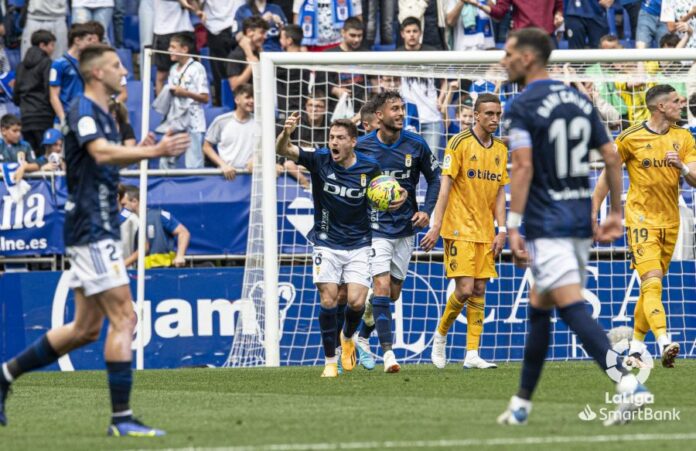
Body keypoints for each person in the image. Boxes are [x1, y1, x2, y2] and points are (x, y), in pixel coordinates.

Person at [0, 43, 191, 434]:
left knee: (85, 329)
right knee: (125, 317)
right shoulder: (85, 109)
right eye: (117, 66)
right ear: (96, 74)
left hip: (93, 227)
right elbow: (100, 153)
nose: (124, 71)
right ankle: (121, 420)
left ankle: (4, 376)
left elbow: (101, 158)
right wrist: (152, 151)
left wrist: (135, 149)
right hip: (91, 228)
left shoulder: (103, 112)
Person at [496, 27, 646, 427]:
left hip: (548, 222)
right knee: (540, 310)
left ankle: (629, 385)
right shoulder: (579, 100)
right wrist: (615, 211)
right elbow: (612, 157)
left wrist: (513, 225)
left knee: (569, 306)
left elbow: (523, 166)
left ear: (528, 58)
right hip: (579, 219)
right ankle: (521, 404)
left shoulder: (523, 105)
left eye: (509, 53)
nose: (503, 60)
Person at [592, 84, 696, 369]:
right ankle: (664, 341)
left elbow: (695, 177)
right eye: (676, 101)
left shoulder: (683, 137)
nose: (681, 103)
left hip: (670, 222)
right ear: (661, 107)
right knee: (651, 281)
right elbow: (607, 174)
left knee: (651, 286)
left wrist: (683, 168)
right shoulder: (630, 137)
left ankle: (636, 348)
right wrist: (593, 209)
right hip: (640, 220)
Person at [276, 113, 385, 377]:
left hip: (359, 242)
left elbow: (385, 193)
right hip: (326, 241)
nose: (333, 142)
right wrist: (286, 132)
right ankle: (329, 361)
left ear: (353, 142)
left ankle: (347, 337)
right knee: (329, 298)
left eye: (339, 138)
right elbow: (283, 149)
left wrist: (394, 198)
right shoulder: (320, 159)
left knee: (357, 303)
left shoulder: (370, 168)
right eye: (331, 137)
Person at [354, 90, 441, 373]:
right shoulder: (363, 147)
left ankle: (361, 338)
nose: (401, 113)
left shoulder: (415, 143)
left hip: (406, 228)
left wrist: (426, 210)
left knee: (391, 294)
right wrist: (371, 197)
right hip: (375, 228)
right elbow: (350, 182)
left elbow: (435, 178)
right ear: (379, 116)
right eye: (394, 109)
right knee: (379, 287)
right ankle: (389, 355)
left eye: (402, 108)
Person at [421, 93, 508, 370]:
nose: (495, 119)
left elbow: (499, 193)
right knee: (465, 289)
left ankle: (472, 353)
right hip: (457, 227)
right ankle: (441, 334)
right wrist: (437, 224)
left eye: (498, 114)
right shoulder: (457, 143)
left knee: (480, 288)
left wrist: (502, 229)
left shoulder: (501, 150)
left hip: (484, 229)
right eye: (489, 114)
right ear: (476, 115)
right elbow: (445, 186)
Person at [397, 17, 448, 159]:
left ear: (420, 33)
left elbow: (445, 81)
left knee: (432, 163)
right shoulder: (395, 55)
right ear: (402, 34)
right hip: (407, 119)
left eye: (415, 31)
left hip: (432, 117)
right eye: (408, 31)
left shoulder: (431, 52)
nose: (412, 34)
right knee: (409, 165)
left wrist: (441, 99)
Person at [158, 33, 210, 169]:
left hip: (193, 123)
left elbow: (205, 98)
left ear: (184, 49)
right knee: (165, 160)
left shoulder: (197, 68)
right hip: (175, 120)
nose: (169, 50)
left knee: (194, 164)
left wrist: (185, 93)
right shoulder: (173, 69)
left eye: (173, 47)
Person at [122, 186, 192, 268]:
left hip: (163, 271)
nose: (122, 208)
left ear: (134, 201)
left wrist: (180, 256)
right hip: (138, 272)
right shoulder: (126, 222)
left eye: (124, 204)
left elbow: (183, 232)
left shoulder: (159, 216)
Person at [13, 30, 57, 155]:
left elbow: (16, 92)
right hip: (43, 115)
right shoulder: (47, 62)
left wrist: (22, 105)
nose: (53, 49)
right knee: (46, 154)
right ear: (42, 45)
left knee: (31, 155)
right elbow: (49, 88)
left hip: (26, 116)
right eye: (51, 45)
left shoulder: (21, 65)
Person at [203, 84, 258, 180]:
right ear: (237, 100)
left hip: (250, 178)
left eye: (253, 97)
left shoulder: (259, 123)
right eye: (247, 97)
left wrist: (257, 159)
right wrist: (223, 165)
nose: (252, 101)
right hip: (227, 178)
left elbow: (265, 148)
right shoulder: (221, 121)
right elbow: (206, 147)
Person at [49, 23, 100, 127]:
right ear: (77, 41)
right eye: (89, 39)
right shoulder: (59, 64)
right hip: (67, 118)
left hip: (86, 118)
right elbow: (54, 95)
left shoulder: (90, 63)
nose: (92, 43)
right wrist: (63, 118)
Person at [203, 0, 244, 106]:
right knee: (221, 78)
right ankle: (225, 108)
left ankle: (241, 110)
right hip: (217, 32)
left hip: (239, 30)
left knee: (241, 74)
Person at [463, 0, 564, 37]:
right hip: (522, 39)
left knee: (550, 82)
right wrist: (478, 4)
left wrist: (558, 16)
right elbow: (499, 12)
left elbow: (558, 7)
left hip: (546, 38)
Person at [293, 0, 363, 51]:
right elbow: (296, 26)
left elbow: (358, 23)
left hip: (341, 47)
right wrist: (301, 47)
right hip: (312, 48)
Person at [225, 16, 270, 92]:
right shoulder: (236, 55)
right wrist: (251, 66)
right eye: (262, 32)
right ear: (249, 32)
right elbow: (235, 86)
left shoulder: (259, 52)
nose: (265, 37)